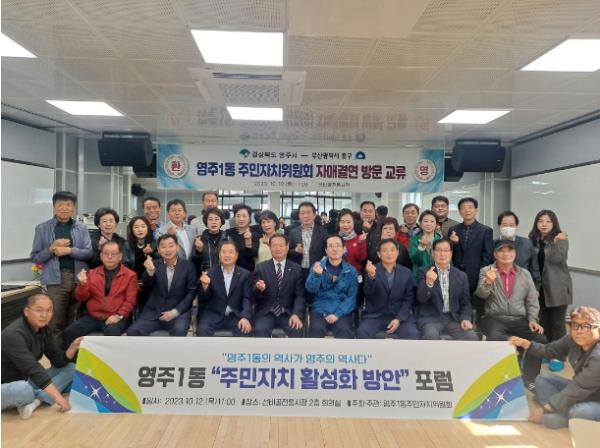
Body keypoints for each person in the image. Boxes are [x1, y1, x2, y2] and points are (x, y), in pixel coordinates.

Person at [509, 306, 600, 429]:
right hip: (581, 392)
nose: (579, 331)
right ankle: (563, 415)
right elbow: (549, 350)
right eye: (575, 325)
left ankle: (561, 417)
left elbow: (580, 387)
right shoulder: (572, 339)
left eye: (586, 326)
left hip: (594, 397)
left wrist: (546, 408)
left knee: (578, 411)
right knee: (542, 379)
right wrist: (527, 344)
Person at [475, 239, 545, 388]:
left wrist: (533, 319)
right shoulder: (486, 271)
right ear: (495, 254)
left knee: (540, 339)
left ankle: (530, 379)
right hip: (494, 318)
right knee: (496, 337)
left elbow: (532, 300)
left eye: (509, 250)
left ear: (515, 253)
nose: (506, 254)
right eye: (501, 250)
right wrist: (488, 282)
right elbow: (481, 295)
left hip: (520, 319)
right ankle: (502, 376)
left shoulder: (524, 274)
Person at [1, 294, 82, 419]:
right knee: (23, 389)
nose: (44, 315)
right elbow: (32, 368)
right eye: (39, 310)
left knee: (71, 368)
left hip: (26, 378)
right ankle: (35, 396)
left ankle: (36, 401)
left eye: (49, 310)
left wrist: (73, 347)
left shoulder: (45, 330)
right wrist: (57, 397)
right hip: (8, 384)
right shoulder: (13, 334)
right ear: (26, 311)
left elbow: (58, 361)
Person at [30, 191, 93, 334]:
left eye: (68, 205)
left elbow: (88, 253)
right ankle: (54, 348)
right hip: (56, 280)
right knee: (55, 320)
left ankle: (72, 348)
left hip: (79, 279)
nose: (64, 208)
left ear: (74, 207)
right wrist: (51, 248)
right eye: (60, 205)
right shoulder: (42, 228)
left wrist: (69, 250)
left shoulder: (81, 228)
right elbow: (36, 257)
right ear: (54, 207)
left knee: (75, 319)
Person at [62, 241, 138, 348]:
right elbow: (81, 298)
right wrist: (82, 284)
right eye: (106, 253)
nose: (109, 256)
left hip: (115, 316)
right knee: (69, 332)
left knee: (112, 334)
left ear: (120, 256)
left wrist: (118, 315)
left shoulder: (130, 275)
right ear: (101, 256)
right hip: (93, 316)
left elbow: (130, 300)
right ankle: (71, 358)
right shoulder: (92, 273)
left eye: (113, 254)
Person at [127, 235, 197, 336]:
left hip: (178, 314)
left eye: (171, 246)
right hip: (154, 313)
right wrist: (150, 271)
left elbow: (191, 293)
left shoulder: (188, 266)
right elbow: (146, 283)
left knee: (179, 331)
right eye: (163, 247)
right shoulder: (154, 264)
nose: (167, 250)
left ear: (177, 247)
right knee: (133, 331)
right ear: (159, 250)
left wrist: (174, 312)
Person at [415, 239, 478, 340]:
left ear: (451, 253)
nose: (442, 254)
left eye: (446, 250)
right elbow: (421, 299)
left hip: (453, 319)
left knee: (471, 337)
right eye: (439, 250)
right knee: (431, 335)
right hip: (431, 319)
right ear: (433, 253)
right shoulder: (424, 272)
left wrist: (465, 318)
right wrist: (429, 283)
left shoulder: (461, 276)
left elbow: (465, 303)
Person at [358, 239, 420, 339]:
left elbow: (408, 299)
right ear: (379, 254)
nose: (389, 253)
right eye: (385, 250)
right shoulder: (371, 270)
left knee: (412, 334)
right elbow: (368, 294)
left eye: (392, 250)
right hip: (375, 316)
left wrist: (399, 319)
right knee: (363, 332)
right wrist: (371, 276)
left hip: (399, 315)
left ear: (397, 252)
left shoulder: (406, 272)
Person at [529, 210, 572, 344]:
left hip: (557, 287)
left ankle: (558, 353)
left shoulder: (561, 238)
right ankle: (545, 350)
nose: (544, 224)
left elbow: (557, 259)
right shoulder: (532, 240)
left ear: (554, 223)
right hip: (539, 287)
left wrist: (555, 242)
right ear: (536, 223)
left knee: (557, 323)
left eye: (548, 221)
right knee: (543, 321)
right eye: (541, 221)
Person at [305, 235, 358, 338]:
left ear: (344, 249)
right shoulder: (317, 266)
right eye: (331, 246)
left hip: (341, 311)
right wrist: (317, 275)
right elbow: (310, 289)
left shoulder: (351, 271)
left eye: (338, 246)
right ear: (326, 250)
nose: (334, 249)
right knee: (316, 329)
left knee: (343, 329)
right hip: (320, 310)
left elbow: (351, 297)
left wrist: (337, 314)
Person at [449, 197, 493, 318]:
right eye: (463, 208)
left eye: (470, 207)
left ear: (476, 210)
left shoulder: (486, 230)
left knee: (476, 309)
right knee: (458, 307)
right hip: (457, 275)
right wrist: (452, 242)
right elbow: (448, 253)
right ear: (459, 211)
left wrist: (481, 275)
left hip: (476, 276)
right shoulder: (453, 230)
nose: (467, 210)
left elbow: (487, 255)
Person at [196, 241, 252, 337]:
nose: (227, 255)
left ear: (236, 255)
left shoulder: (245, 274)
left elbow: (246, 299)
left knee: (244, 330)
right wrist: (205, 286)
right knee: (202, 330)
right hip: (213, 314)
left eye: (230, 252)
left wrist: (245, 317)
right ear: (219, 255)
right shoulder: (210, 273)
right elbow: (202, 300)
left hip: (236, 315)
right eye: (224, 252)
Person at [254, 234, 305, 338]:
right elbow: (255, 296)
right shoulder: (261, 267)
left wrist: (296, 314)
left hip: (288, 312)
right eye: (274, 245)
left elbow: (300, 296)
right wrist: (259, 289)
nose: (278, 248)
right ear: (270, 247)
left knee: (297, 329)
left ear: (287, 247)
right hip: (266, 312)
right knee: (260, 329)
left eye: (281, 245)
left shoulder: (297, 269)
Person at [495, 211, 541, 289]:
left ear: (516, 226)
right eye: (505, 225)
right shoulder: (492, 244)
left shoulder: (527, 244)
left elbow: (534, 270)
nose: (508, 228)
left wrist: (535, 289)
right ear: (499, 226)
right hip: (499, 289)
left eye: (511, 225)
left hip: (523, 288)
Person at [287, 202, 328, 281]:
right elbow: (287, 252)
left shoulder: (323, 232)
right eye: (302, 213)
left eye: (308, 213)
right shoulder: (293, 232)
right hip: (298, 271)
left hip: (316, 271)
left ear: (314, 215)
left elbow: (326, 253)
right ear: (299, 215)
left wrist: (321, 266)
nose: (305, 216)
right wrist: (295, 250)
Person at [409, 210, 442, 285]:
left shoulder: (441, 240)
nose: (428, 224)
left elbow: (447, 262)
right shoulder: (414, 240)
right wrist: (421, 246)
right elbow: (414, 260)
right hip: (419, 279)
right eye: (425, 221)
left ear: (436, 224)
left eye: (432, 221)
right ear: (420, 223)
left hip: (437, 279)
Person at [225, 203, 260, 271]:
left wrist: (248, 242)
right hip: (229, 271)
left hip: (247, 272)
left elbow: (253, 255)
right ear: (234, 218)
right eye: (238, 216)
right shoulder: (228, 232)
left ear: (249, 218)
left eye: (244, 216)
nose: (241, 219)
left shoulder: (254, 234)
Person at [192, 207, 227, 273]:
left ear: (221, 221)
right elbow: (194, 264)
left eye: (216, 219)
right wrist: (198, 252)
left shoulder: (227, 239)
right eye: (210, 219)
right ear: (206, 222)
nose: (213, 222)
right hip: (205, 276)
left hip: (224, 275)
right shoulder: (199, 240)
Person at [337, 209, 367, 275]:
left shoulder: (359, 239)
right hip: (338, 276)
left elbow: (361, 258)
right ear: (339, 223)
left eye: (348, 222)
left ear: (353, 223)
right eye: (342, 222)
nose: (346, 225)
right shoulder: (335, 239)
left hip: (355, 275)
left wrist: (361, 242)